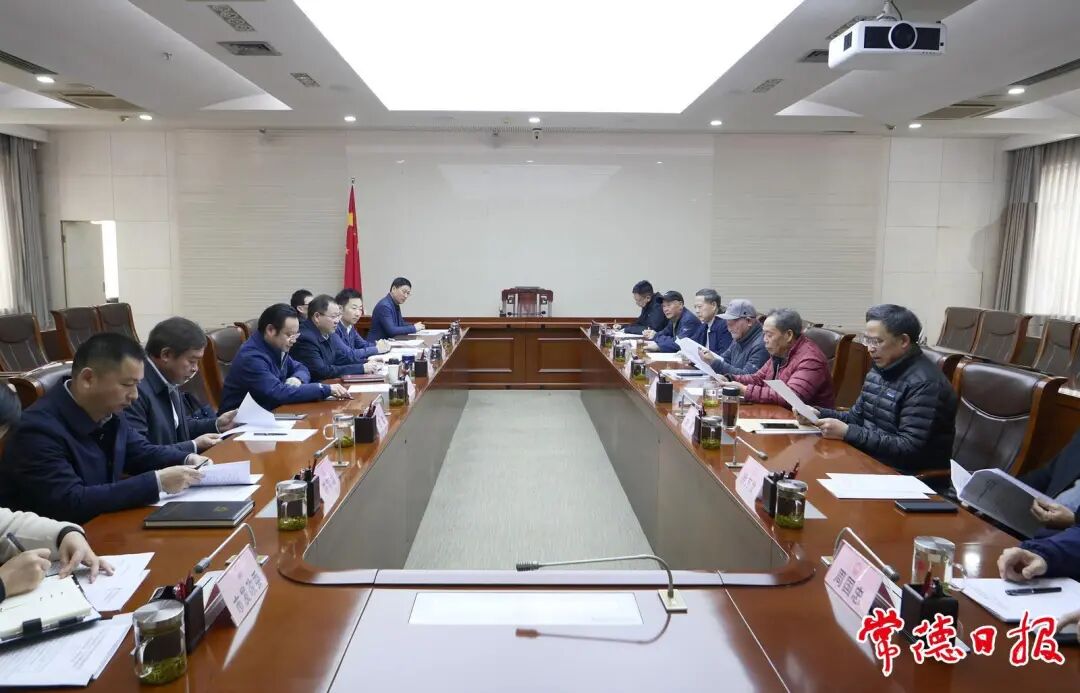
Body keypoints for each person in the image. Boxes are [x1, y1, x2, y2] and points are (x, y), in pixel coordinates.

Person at [0, 333, 208, 524]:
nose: (135, 395)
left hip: (105, 525)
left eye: (137, 384)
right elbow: (70, 501)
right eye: (127, 385)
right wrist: (157, 482)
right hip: (57, 541)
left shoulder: (108, 411)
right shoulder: (36, 431)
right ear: (88, 379)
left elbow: (139, 451)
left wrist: (186, 458)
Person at [802, 305, 956, 476]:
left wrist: (848, 432)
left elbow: (908, 448)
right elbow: (856, 418)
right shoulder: (880, 370)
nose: (870, 348)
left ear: (903, 341)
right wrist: (818, 414)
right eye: (867, 340)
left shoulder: (925, 384)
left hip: (905, 475)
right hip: (868, 461)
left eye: (877, 341)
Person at [124, 317, 238, 454]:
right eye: (192, 361)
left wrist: (217, 424)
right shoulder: (134, 390)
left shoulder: (167, 376)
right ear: (166, 355)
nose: (195, 369)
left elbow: (176, 425)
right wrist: (192, 446)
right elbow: (139, 452)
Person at [218, 303, 351, 412]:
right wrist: (323, 389)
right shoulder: (251, 357)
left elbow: (301, 367)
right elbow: (277, 392)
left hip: (272, 411)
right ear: (270, 330)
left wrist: (297, 379)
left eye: (295, 335)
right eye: (289, 335)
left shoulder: (276, 345)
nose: (293, 340)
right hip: (241, 423)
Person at [714, 308, 835, 409]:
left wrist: (745, 390)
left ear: (788, 335)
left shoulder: (810, 359)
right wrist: (730, 378)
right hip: (780, 414)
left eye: (769, 335)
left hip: (812, 424)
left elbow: (791, 397)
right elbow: (758, 378)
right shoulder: (780, 352)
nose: (764, 340)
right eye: (764, 334)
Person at [291, 294, 382, 381]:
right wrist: (361, 368)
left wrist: (366, 362)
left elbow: (339, 358)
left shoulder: (326, 331)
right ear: (317, 317)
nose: (337, 321)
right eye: (333, 316)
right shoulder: (305, 338)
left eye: (338, 316)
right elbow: (322, 371)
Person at [1019, 431, 1080, 530]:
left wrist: (1073, 521)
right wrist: (1003, 488)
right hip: (1035, 524)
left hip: (1070, 534)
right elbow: (1047, 474)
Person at [698, 299, 769, 376]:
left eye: (733, 322)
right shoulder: (739, 338)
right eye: (727, 323)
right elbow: (724, 359)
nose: (729, 328)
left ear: (749, 321)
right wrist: (703, 360)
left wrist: (714, 362)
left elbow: (747, 377)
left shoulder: (761, 345)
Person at [335, 288, 391, 361]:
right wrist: (377, 349)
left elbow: (363, 344)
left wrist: (381, 344)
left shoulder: (350, 326)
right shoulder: (333, 328)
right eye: (354, 308)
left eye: (360, 309)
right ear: (340, 309)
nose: (358, 314)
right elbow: (348, 354)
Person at [692, 289, 732, 355]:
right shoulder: (704, 325)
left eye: (699, 307)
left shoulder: (725, 325)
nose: (697, 311)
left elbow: (724, 355)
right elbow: (693, 344)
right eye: (695, 307)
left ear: (713, 305)